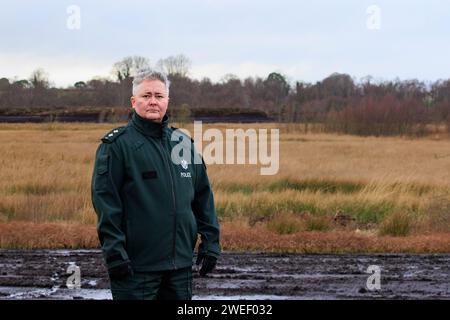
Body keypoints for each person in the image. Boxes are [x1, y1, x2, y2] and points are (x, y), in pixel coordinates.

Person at [91, 68, 220, 300]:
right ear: (133, 101)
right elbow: (106, 203)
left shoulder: (183, 144)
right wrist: (114, 254)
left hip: (180, 268)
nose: (153, 102)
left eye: (159, 96)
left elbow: (203, 197)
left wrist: (211, 242)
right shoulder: (117, 146)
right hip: (135, 269)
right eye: (146, 96)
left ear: (167, 101)